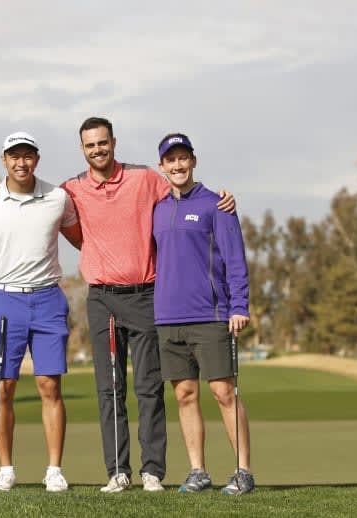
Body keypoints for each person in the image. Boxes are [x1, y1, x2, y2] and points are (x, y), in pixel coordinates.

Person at [60, 117, 235, 493]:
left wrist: (222, 201)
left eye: (103, 143)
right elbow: (45, 205)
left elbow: (182, 189)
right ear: (82, 149)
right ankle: (118, 472)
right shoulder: (71, 188)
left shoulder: (144, 178)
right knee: (109, 388)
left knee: (149, 386)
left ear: (113, 142)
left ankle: (153, 470)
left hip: (145, 295)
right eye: (90, 145)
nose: (98, 150)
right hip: (102, 298)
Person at [0, 132, 83, 492]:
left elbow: (81, 238)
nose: (21, 162)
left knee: (50, 384)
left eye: (28, 156)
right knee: (4, 387)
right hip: (5, 300)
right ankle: (6, 469)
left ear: (37, 158)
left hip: (48, 299)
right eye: (14, 156)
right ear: (4, 160)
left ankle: (54, 470)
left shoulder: (57, 197)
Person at [152, 132, 255, 495]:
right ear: (162, 166)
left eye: (183, 158)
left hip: (211, 315)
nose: (178, 165)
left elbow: (235, 259)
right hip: (168, 317)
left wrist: (239, 305)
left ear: (193, 161)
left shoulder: (217, 205)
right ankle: (198, 470)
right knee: (184, 395)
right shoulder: (158, 208)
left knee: (224, 392)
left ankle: (243, 471)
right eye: (171, 160)